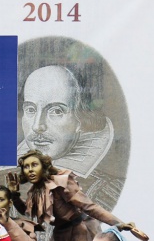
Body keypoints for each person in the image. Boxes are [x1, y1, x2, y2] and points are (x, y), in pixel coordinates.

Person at [18, 65, 123, 208]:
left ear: (80, 119)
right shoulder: (4, 185)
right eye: (30, 109)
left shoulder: (106, 191)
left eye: (56, 111)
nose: (37, 126)